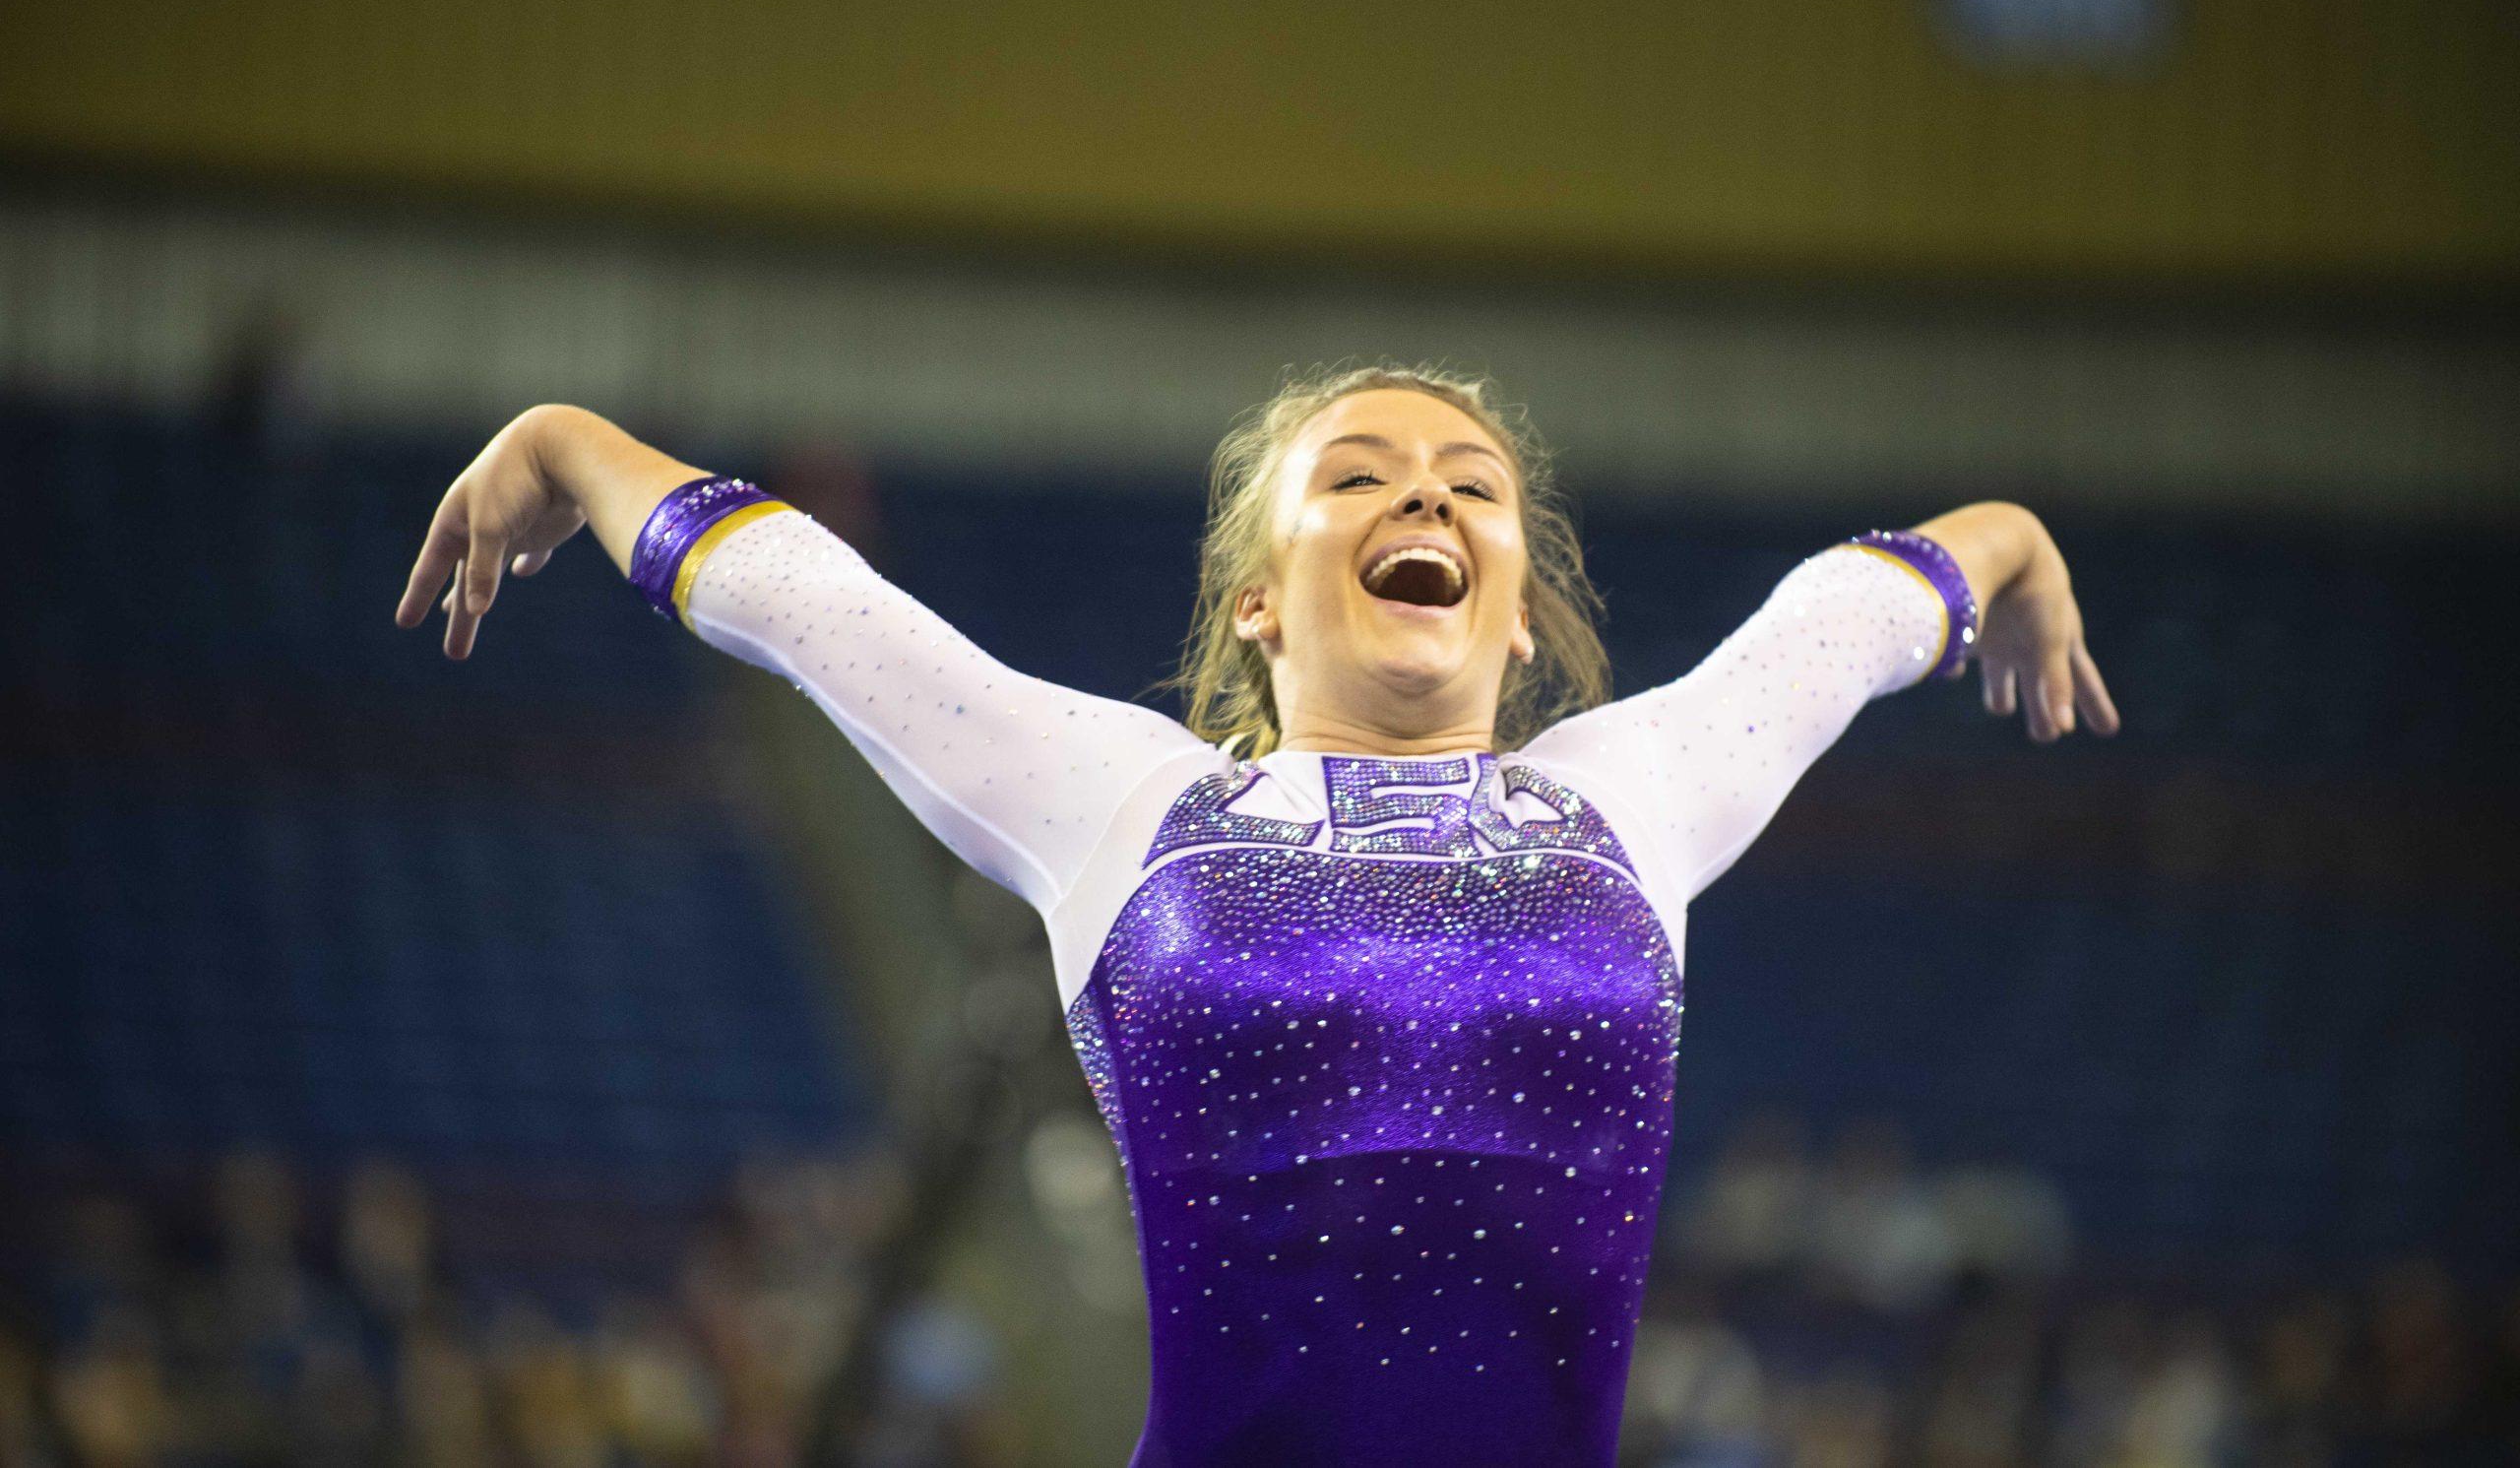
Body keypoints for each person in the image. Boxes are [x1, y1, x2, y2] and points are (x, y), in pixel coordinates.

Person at [394, 364, 2118, 1467]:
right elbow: (809, 604)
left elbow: (1858, 613)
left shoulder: (1631, 796)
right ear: (1258, 601)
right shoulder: (1129, 809)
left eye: (1470, 482)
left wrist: (2020, 542)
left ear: (1521, 620)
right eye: (1357, 476)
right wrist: (569, 445)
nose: (1425, 495)